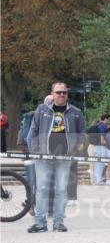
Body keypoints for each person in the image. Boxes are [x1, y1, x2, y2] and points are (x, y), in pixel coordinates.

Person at [26, 83, 85, 232]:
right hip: (43, 157)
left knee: (61, 190)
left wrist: (78, 145)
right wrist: (34, 151)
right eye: (58, 92)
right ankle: (40, 223)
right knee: (42, 189)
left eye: (64, 92)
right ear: (52, 94)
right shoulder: (42, 109)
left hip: (64, 157)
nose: (61, 95)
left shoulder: (76, 112)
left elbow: (81, 132)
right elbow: (33, 131)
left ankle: (58, 222)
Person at [86, 114, 110, 185]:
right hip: (95, 147)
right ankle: (95, 181)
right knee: (94, 164)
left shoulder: (97, 126)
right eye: (108, 119)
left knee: (94, 164)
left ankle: (96, 180)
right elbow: (102, 140)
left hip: (92, 146)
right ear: (105, 119)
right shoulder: (102, 126)